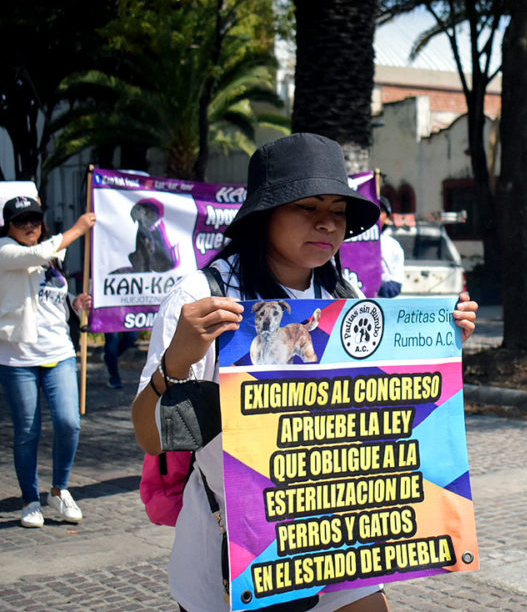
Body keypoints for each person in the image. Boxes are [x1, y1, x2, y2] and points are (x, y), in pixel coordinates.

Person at [131, 133, 478, 612]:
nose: (327, 223)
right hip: (243, 554)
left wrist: (436, 350)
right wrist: (177, 360)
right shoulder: (201, 298)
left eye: (338, 212)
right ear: (264, 215)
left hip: (338, 538)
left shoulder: (346, 293)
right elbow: (152, 437)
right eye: (308, 206)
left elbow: (380, 406)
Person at [0, 195, 96, 528]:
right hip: (18, 357)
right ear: (8, 227)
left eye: (35, 220)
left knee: (69, 422)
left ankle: (59, 489)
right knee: (27, 431)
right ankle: (30, 500)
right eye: (21, 221)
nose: (30, 226)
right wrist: (79, 228)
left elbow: (49, 294)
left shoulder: (52, 258)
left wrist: (74, 301)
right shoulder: (5, 252)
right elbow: (37, 253)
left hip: (59, 352)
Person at [377, 195, 405, 298]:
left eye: (379, 210)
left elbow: (395, 285)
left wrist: (371, 286)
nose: (375, 213)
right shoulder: (347, 243)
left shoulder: (392, 246)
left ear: (387, 219)